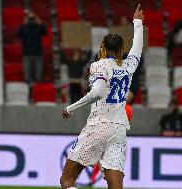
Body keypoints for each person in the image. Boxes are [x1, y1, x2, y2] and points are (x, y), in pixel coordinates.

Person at [60, 4, 144, 189]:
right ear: (122, 48)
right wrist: (138, 23)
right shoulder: (129, 65)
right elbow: (137, 47)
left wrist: (70, 108)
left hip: (99, 125)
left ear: (103, 48)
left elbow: (97, 92)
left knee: (67, 180)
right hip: (119, 129)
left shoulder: (99, 65)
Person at [18, 12, 47, 85]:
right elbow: (18, 33)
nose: (31, 20)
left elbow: (45, 32)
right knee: (27, 70)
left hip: (36, 52)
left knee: (38, 71)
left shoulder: (38, 28)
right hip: (28, 53)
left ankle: (38, 84)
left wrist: (40, 23)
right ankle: (28, 83)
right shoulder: (25, 28)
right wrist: (24, 23)